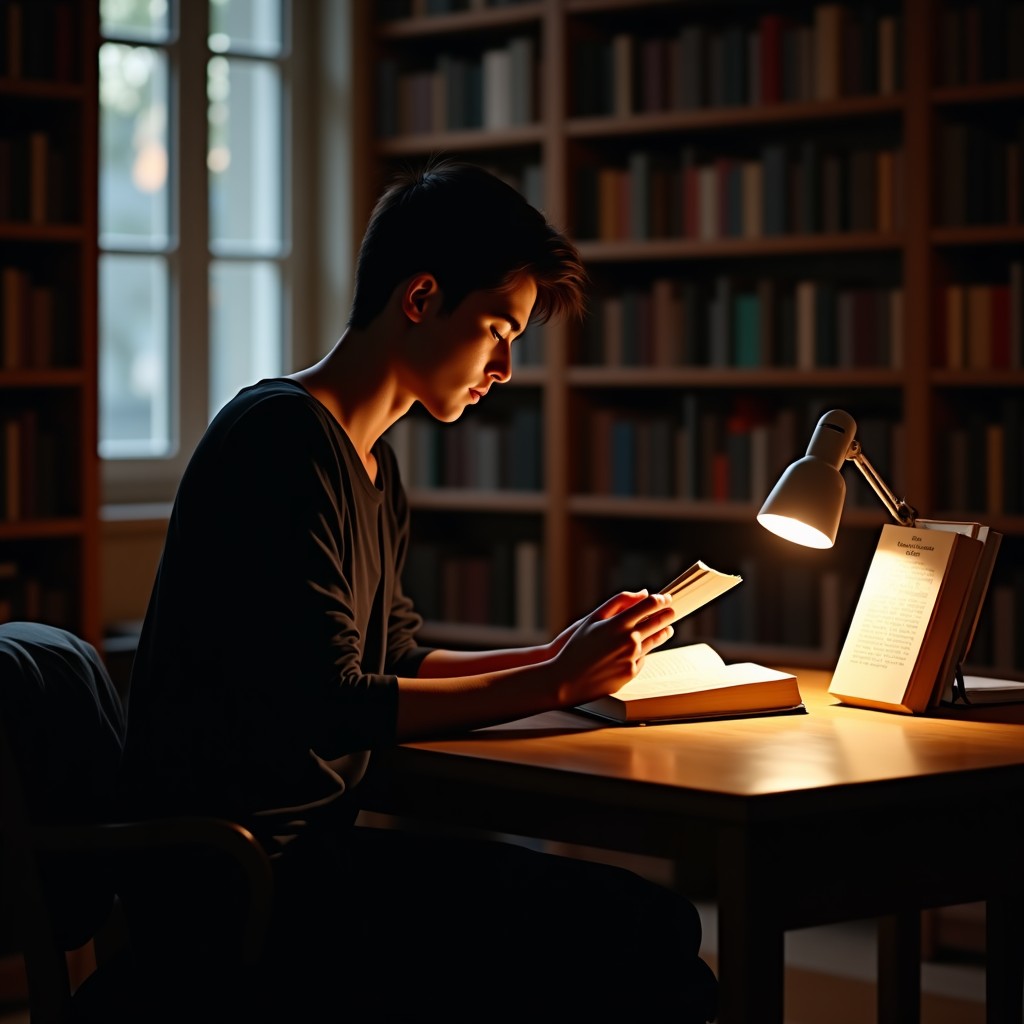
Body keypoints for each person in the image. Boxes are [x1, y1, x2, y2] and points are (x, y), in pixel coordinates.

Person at [118, 159, 719, 1022]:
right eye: (496, 329)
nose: (505, 367)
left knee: (655, 940)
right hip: (243, 887)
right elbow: (334, 701)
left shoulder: (369, 461)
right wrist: (554, 683)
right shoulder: (281, 440)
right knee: (646, 935)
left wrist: (562, 648)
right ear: (421, 297)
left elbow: (396, 655)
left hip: (300, 862)